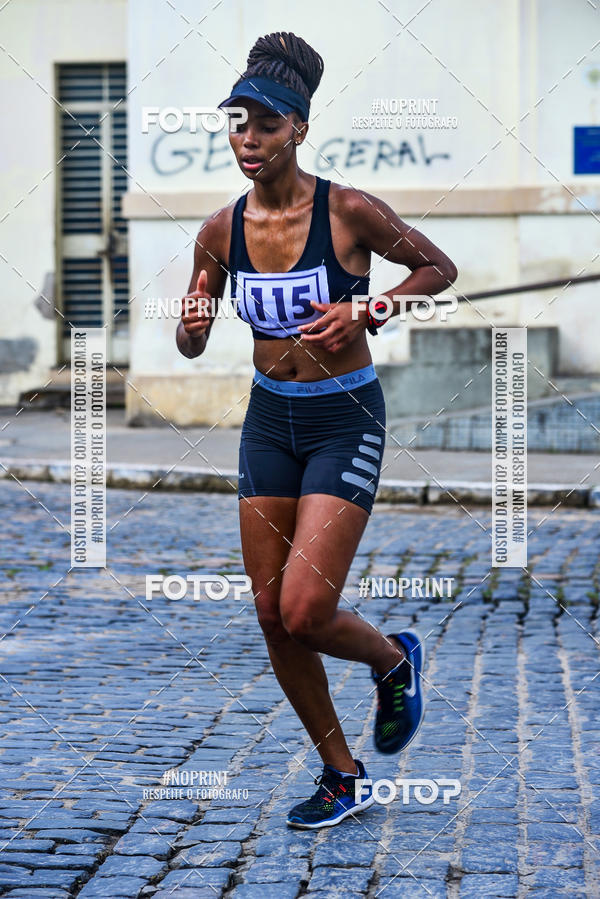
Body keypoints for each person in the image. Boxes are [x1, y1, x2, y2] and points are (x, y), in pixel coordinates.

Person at [176, 31, 458, 829]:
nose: (249, 140)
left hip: (345, 418)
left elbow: (438, 268)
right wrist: (192, 324)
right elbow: (191, 337)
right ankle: (342, 773)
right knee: (270, 613)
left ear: (298, 128)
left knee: (305, 608)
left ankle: (393, 657)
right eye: (238, 123)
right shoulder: (218, 231)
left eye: (266, 124)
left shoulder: (348, 211)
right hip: (269, 420)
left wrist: (373, 304)